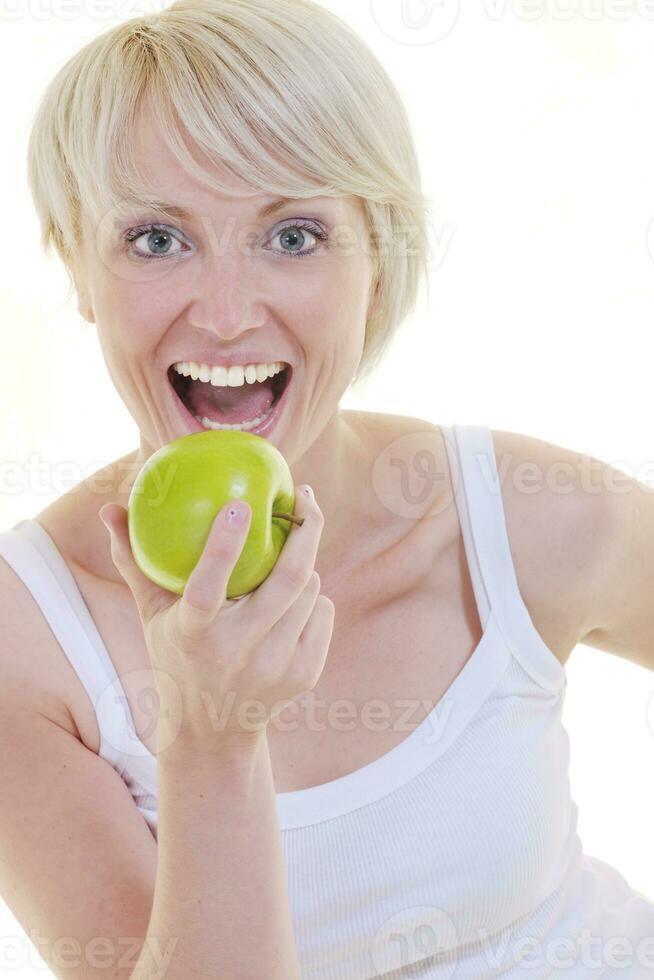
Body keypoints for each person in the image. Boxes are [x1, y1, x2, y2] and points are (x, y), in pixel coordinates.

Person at [1, 0, 653, 977]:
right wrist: (212, 741)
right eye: (156, 239)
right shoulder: (27, 636)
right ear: (76, 264)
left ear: (378, 263)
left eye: (296, 235)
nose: (225, 316)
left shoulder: (521, 516)